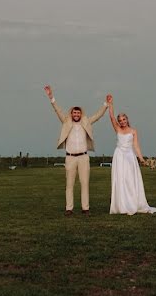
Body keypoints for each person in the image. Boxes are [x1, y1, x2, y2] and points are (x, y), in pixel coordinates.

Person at [44, 85, 108, 216]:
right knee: (69, 184)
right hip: (70, 157)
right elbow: (57, 110)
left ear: (81, 114)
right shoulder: (66, 121)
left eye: (78, 113)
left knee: (84, 183)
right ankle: (69, 209)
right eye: (74, 112)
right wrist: (51, 97)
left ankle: (85, 208)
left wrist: (106, 104)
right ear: (71, 113)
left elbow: (98, 115)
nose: (76, 114)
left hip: (83, 157)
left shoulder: (86, 122)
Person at [106, 93, 156, 215]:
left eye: (124, 119)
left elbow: (136, 146)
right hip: (119, 156)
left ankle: (132, 203)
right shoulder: (117, 129)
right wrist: (110, 104)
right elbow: (111, 117)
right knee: (120, 180)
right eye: (120, 120)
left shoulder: (133, 131)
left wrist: (141, 159)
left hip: (129, 156)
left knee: (129, 180)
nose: (122, 121)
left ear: (127, 119)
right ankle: (121, 206)